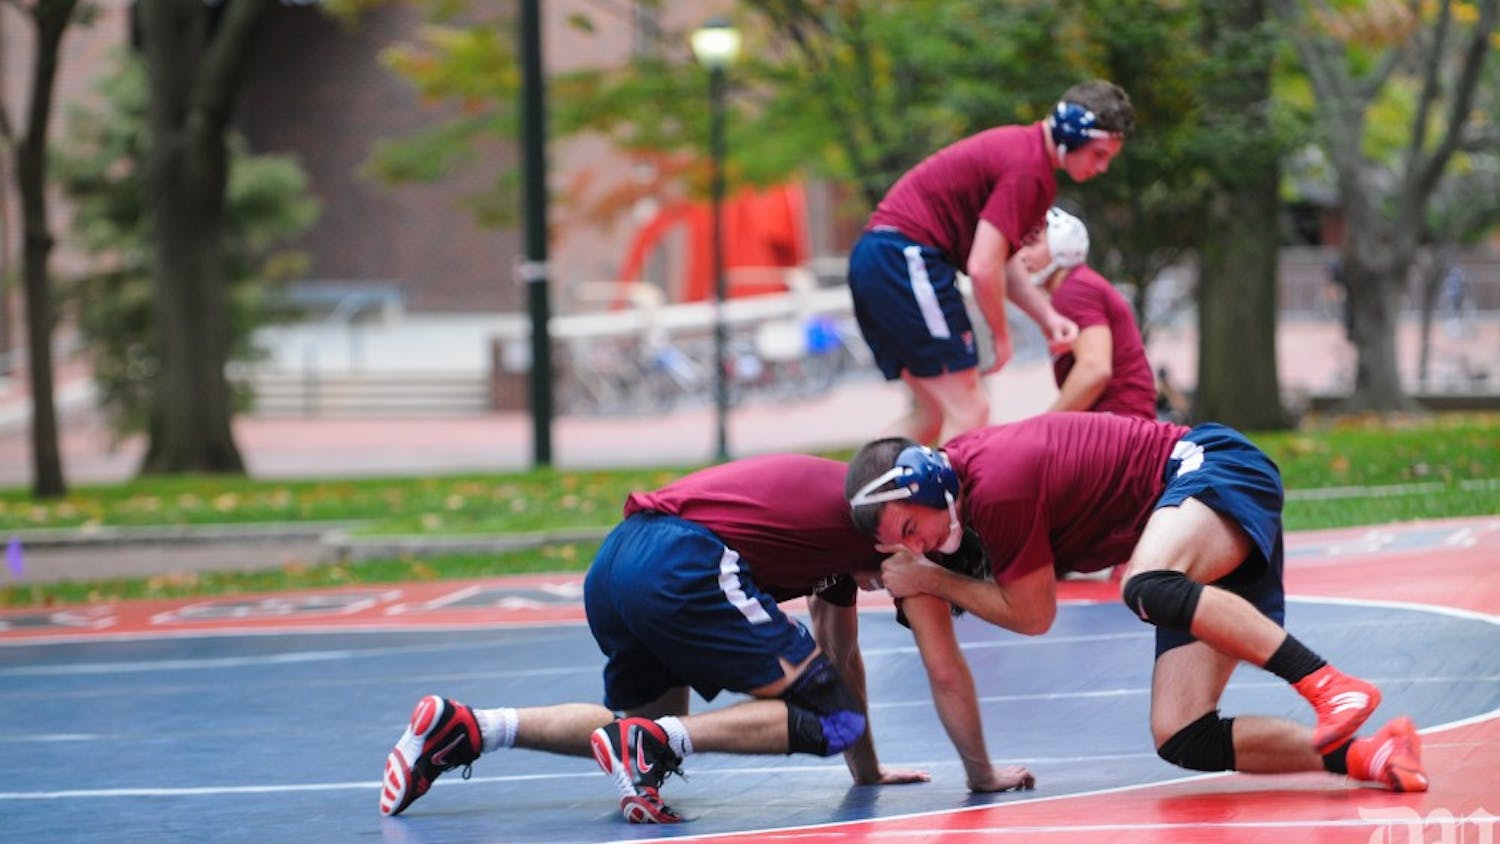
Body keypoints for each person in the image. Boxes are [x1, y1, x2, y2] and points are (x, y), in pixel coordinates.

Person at [377, 454, 987, 826]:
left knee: (639, 733)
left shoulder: (850, 534)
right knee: (833, 720)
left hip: (618, 561)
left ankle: (468, 727)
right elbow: (838, 688)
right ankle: (652, 742)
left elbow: (841, 655)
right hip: (679, 560)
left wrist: (869, 774)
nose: (898, 577)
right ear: (900, 515)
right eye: (920, 543)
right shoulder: (868, 524)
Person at [843, 414, 1429, 794]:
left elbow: (1033, 614)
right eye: (902, 543)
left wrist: (932, 580)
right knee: (1181, 735)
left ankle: (1329, 684)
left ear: (924, 480)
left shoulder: (995, 486)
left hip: (1212, 467)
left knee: (1144, 583)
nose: (916, 546)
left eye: (911, 526)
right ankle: (1370, 756)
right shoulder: (963, 505)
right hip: (1191, 532)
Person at [846, 80, 1134, 445]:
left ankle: (862, 496)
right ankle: (951, 504)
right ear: (1071, 133)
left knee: (933, 414)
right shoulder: (1029, 170)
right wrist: (1001, 337)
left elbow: (1003, 260)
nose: (1103, 167)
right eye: (1099, 153)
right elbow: (984, 267)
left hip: (884, 259)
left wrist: (1046, 319)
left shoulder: (1025, 156)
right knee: (970, 410)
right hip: (904, 260)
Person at [1017, 207, 1156, 420]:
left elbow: (1094, 368)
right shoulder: (1078, 285)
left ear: (1061, 245)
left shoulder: (1074, 290)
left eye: (1031, 244)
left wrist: (1046, 423)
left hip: (1117, 420)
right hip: (1122, 418)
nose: (1022, 255)